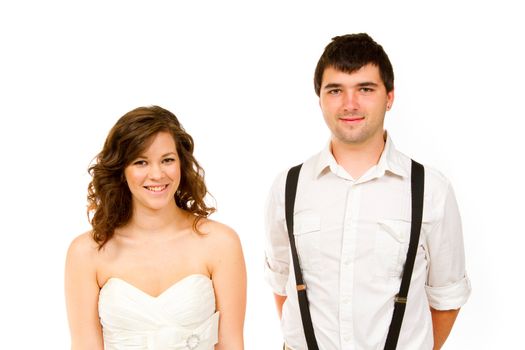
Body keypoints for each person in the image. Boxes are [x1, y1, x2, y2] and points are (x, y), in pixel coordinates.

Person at [264, 33, 471, 350]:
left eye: (365, 89)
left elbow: (447, 297)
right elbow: (282, 283)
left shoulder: (431, 189)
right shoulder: (288, 186)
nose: (350, 104)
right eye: (335, 90)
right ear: (320, 98)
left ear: (389, 97)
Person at [65, 105, 246, 350]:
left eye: (167, 160)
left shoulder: (220, 243)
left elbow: (232, 344)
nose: (157, 174)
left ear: (181, 164)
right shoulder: (86, 252)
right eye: (141, 162)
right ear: (121, 171)